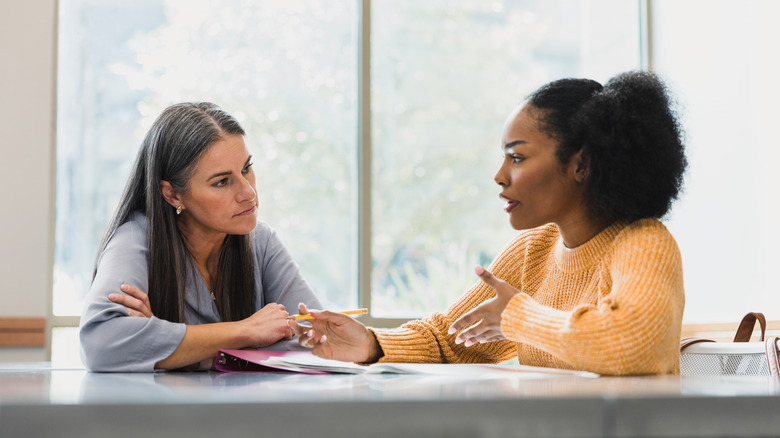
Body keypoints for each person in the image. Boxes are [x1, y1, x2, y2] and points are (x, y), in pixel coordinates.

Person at [292, 71, 687, 375]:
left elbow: (631, 344)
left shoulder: (644, 242)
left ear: (581, 163)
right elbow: (452, 339)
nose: (500, 176)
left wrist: (517, 316)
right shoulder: (534, 250)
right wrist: (371, 343)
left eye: (517, 158)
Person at [79, 102, 322, 372]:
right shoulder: (136, 240)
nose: (248, 193)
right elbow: (100, 344)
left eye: (246, 168)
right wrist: (245, 331)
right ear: (172, 194)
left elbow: (315, 340)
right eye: (221, 181)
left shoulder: (261, 241)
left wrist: (164, 343)